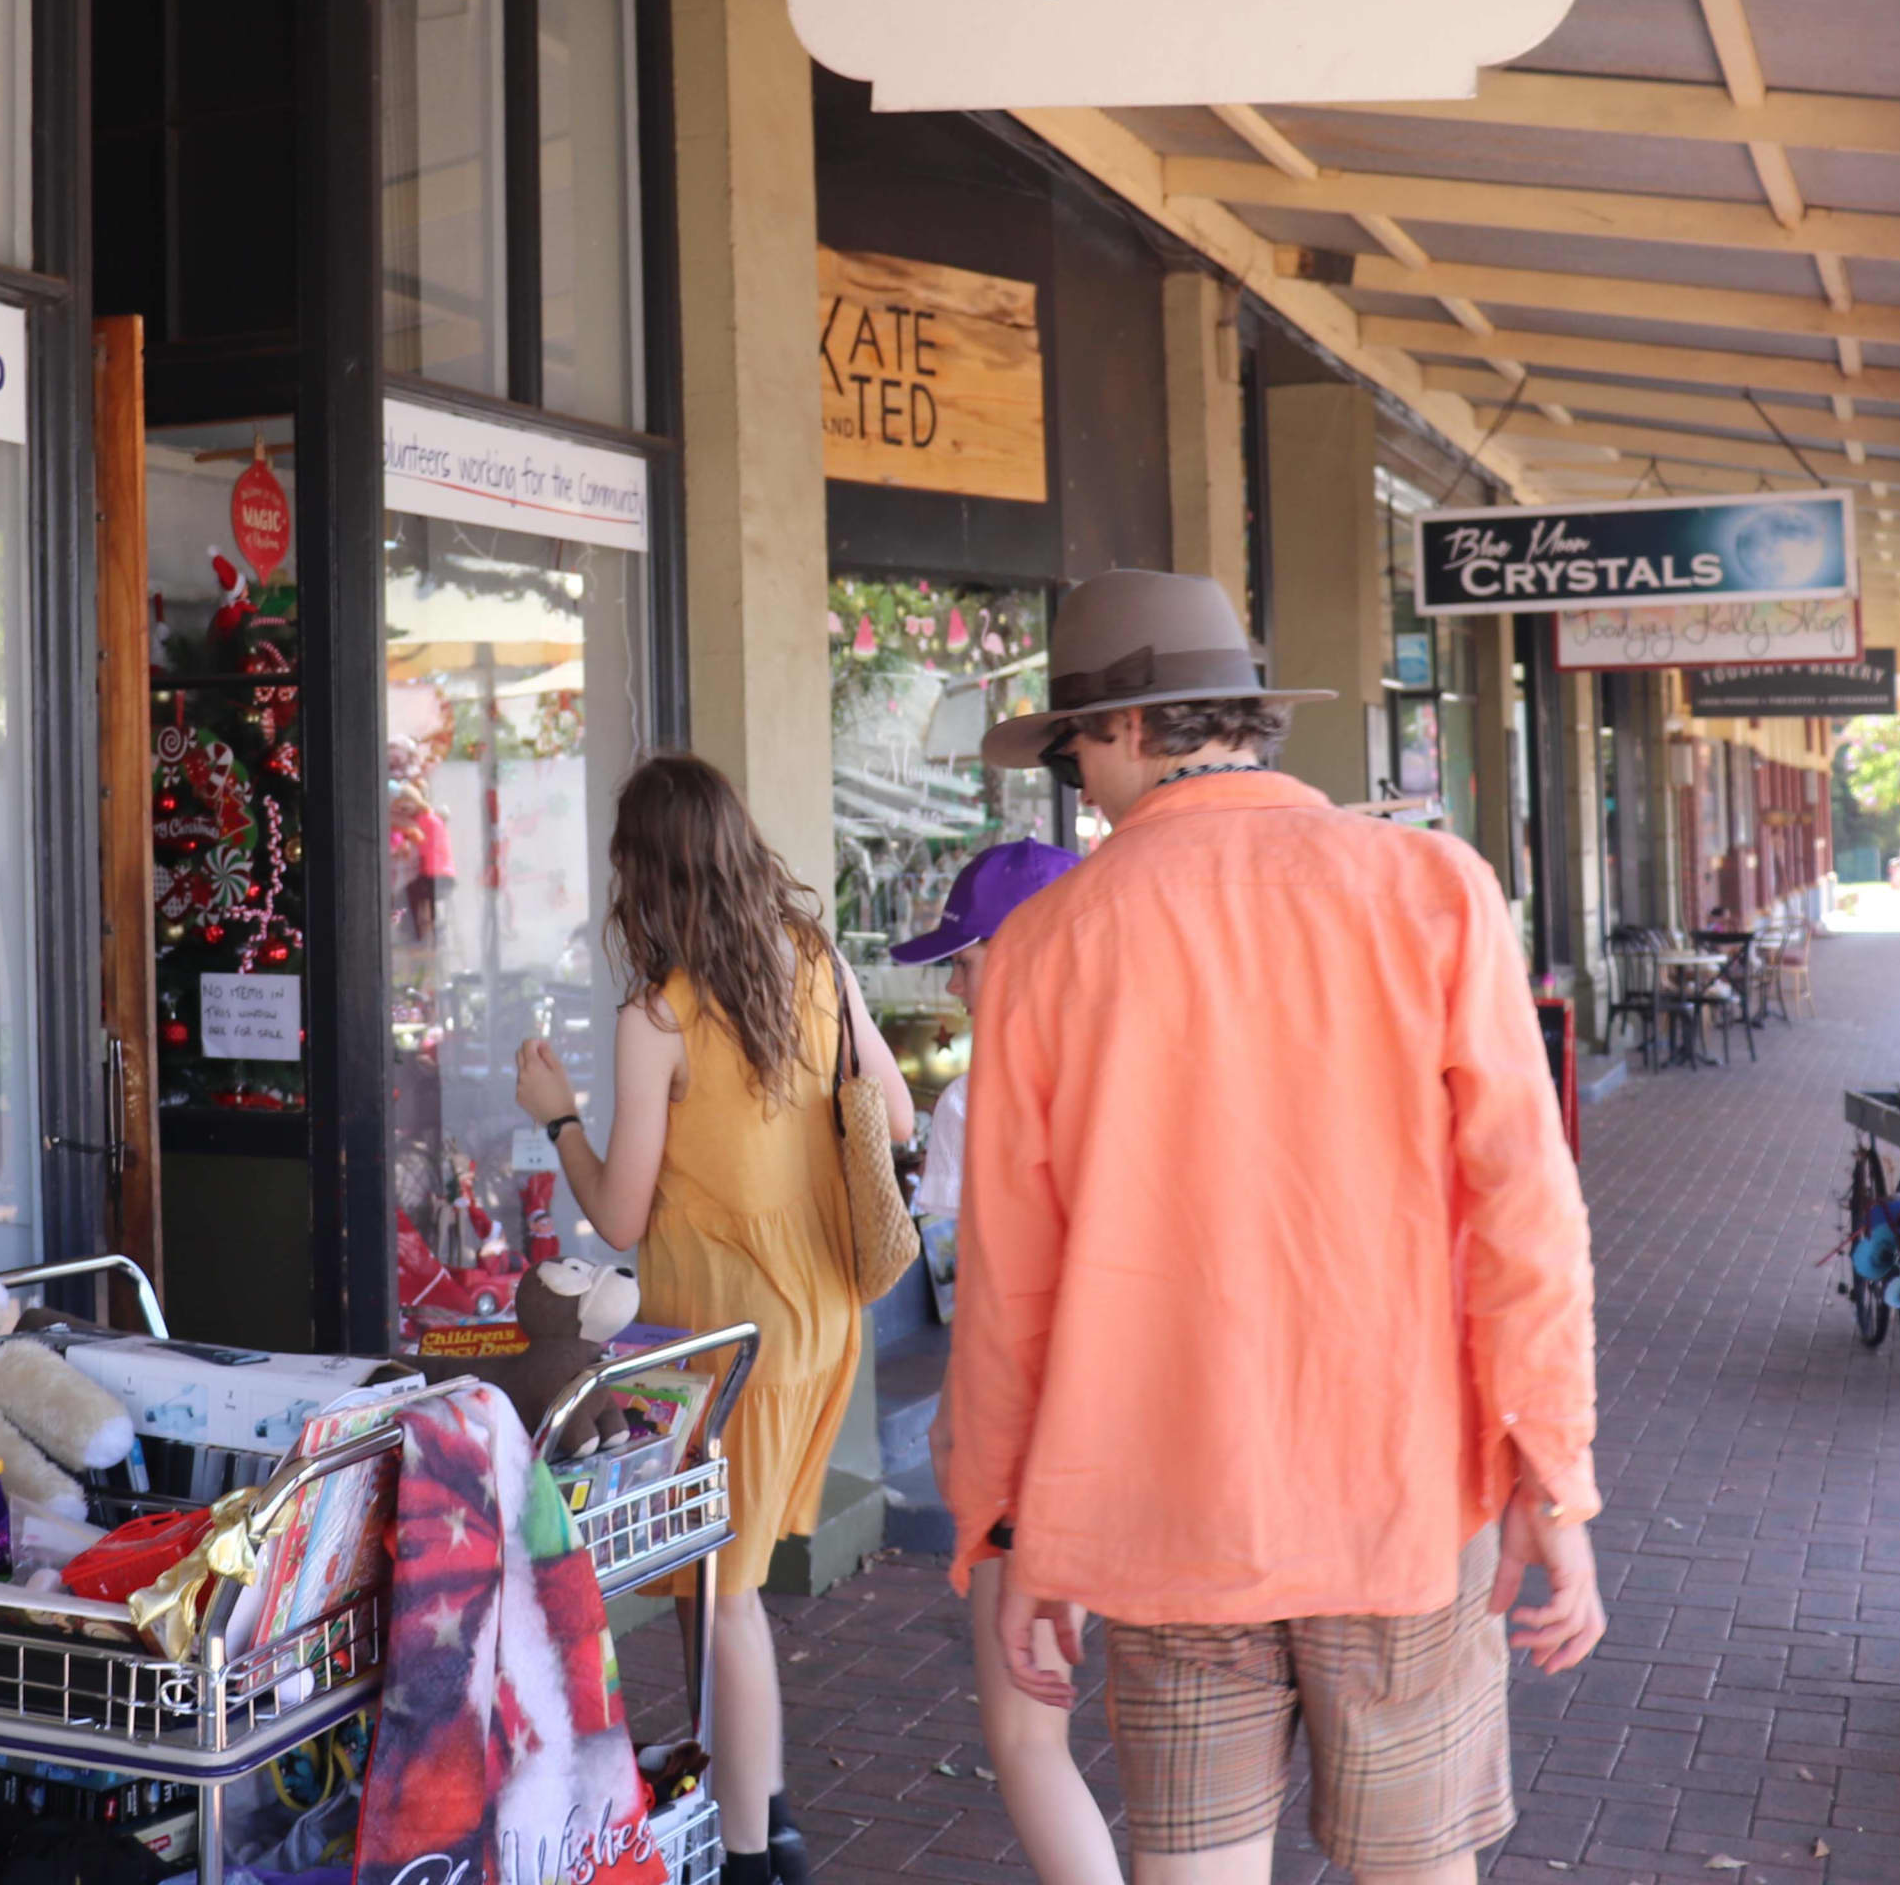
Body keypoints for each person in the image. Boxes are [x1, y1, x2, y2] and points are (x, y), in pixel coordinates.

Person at [947, 570, 1603, 1885]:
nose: (1081, 783)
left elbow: (1010, 1284)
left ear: (1133, 726)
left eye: (1075, 748)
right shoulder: (1432, 888)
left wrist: (1011, 1530)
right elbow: (1527, 1215)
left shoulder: (1045, 946)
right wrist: (1551, 1477)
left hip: (1162, 1508)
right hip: (1401, 1494)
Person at [517, 753, 915, 1885]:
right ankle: (761, 1805)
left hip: (724, 1344)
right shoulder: (816, 959)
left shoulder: (659, 1015)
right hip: (821, 1319)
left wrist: (559, 1119)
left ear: (644, 874)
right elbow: (891, 1115)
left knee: (726, 1598)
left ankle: (754, 1857)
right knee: (712, 1581)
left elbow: (618, 1212)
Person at [891, 839, 1119, 1885]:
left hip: (1033, 1446)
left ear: (1024, 951)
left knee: (1029, 1739)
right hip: (1160, 1438)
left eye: (965, 958)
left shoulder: (972, 1101)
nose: (952, 984)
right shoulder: (1151, 1078)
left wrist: (959, 1436)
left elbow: (975, 1297)